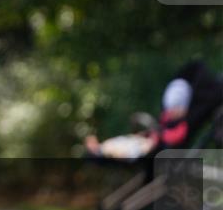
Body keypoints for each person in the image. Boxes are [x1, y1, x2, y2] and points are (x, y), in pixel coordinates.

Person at [85, 60, 222, 159]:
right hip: (150, 139)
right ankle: (102, 148)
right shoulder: (168, 116)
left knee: (133, 147)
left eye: (175, 109)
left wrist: (157, 136)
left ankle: (103, 150)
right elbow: (158, 127)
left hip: (154, 147)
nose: (171, 112)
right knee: (128, 140)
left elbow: (173, 138)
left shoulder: (183, 124)